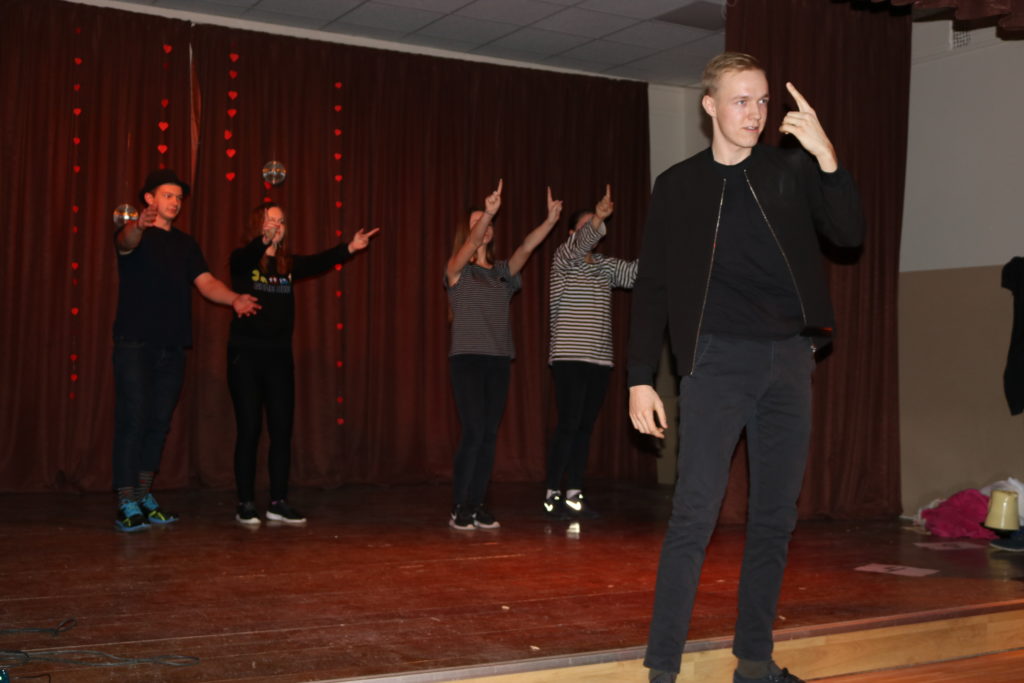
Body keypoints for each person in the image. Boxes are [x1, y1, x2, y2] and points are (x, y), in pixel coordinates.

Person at [627, 53, 865, 683]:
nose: (755, 113)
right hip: (716, 360)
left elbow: (849, 234)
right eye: (741, 100)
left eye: (762, 101)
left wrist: (827, 156)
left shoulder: (792, 169)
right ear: (709, 105)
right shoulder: (678, 185)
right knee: (694, 515)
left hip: (788, 358)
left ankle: (754, 665)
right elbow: (652, 286)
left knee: (774, 518)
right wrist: (639, 376)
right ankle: (662, 671)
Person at [112, 169, 260, 533]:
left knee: (158, 424)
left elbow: (206, 283)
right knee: (133, 421)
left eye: (178, 197)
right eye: (168, 195)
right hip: (135, 344)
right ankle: (126, 501)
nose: (175, 202)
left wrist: (234, 299)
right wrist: (139, 224)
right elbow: (126, 241)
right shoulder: (136, 233)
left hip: (173, 346)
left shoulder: (186, 244)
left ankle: (143, 496)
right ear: (149, 199)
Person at [227, 202, 378, 526]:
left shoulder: (287, 265)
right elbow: (242, 260)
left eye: (281, 221)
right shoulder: (243, 259)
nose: (277, 225)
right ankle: (246, 502)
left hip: (279, 357)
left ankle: (278, 501)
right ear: (258, 225)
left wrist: (350, 247)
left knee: (282, 430)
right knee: (249, 429)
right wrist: (262, 242)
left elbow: (319, 261)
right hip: (246, 355)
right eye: (270, 220)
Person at [445, 180, 562, 530]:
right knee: (473, 431)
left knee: (488, 435)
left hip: (497, 360)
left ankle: (477, 503)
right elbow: (469, 245)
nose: (484, 226)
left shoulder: (502, 273)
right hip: (467, 359)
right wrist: (488, 212)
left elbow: (527, 247)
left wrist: (550, 221)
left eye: (488, 222)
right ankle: (460, 506)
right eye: (477, 222)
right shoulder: (457, 269)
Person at [544, 185, 637, 519]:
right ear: (572, 234)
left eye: (596, 226)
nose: (593, 231)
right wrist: (598, 216)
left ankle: (574, 491)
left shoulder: (605, 266)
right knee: (568, 424)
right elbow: (582, 242)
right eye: (585, 227)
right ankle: (552, 490)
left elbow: (639, 273)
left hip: (600, 360)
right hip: (569, 357)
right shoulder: (563, 259)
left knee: (584, 427)